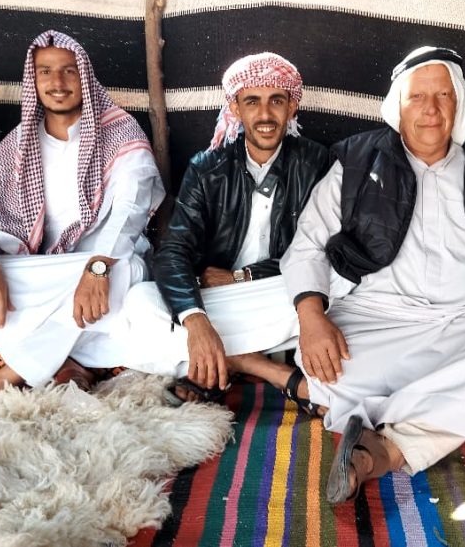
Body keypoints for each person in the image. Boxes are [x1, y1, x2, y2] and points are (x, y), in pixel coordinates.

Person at [279, 47, 465, 503]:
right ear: (396, 105)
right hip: (380, 319)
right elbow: (307, 245)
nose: (431, 109)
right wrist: (311, 317)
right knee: (330, 368)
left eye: (443, 95)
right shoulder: (356, 161)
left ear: (459, 103)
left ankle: (381, 446)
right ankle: (404, 434)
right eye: (418, 96)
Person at [0, 30, 164, 439]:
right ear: (34, 79)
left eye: (68, 70)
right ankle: (65, 362)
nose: (57, 83)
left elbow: (129, 216)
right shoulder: (17, 145)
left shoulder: (120, 134)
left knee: (128, 272)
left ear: (85, 76)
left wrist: (96, 268)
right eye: (46, 71)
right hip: (42, 272)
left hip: (97, 267)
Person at [124, 52, 333, 406]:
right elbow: (174, 250)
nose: (265, 115)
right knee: (139, 302)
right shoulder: (207, 169)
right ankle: (267, 368)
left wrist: (244, 276)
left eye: (276, 101)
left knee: (339, 289)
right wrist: (196, 322)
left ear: (292, 106)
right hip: (223, 303)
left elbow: (319, 250)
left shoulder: (317, 163)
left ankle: (219, 361)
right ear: (235, 108)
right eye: (252, 101)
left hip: (280, 292)